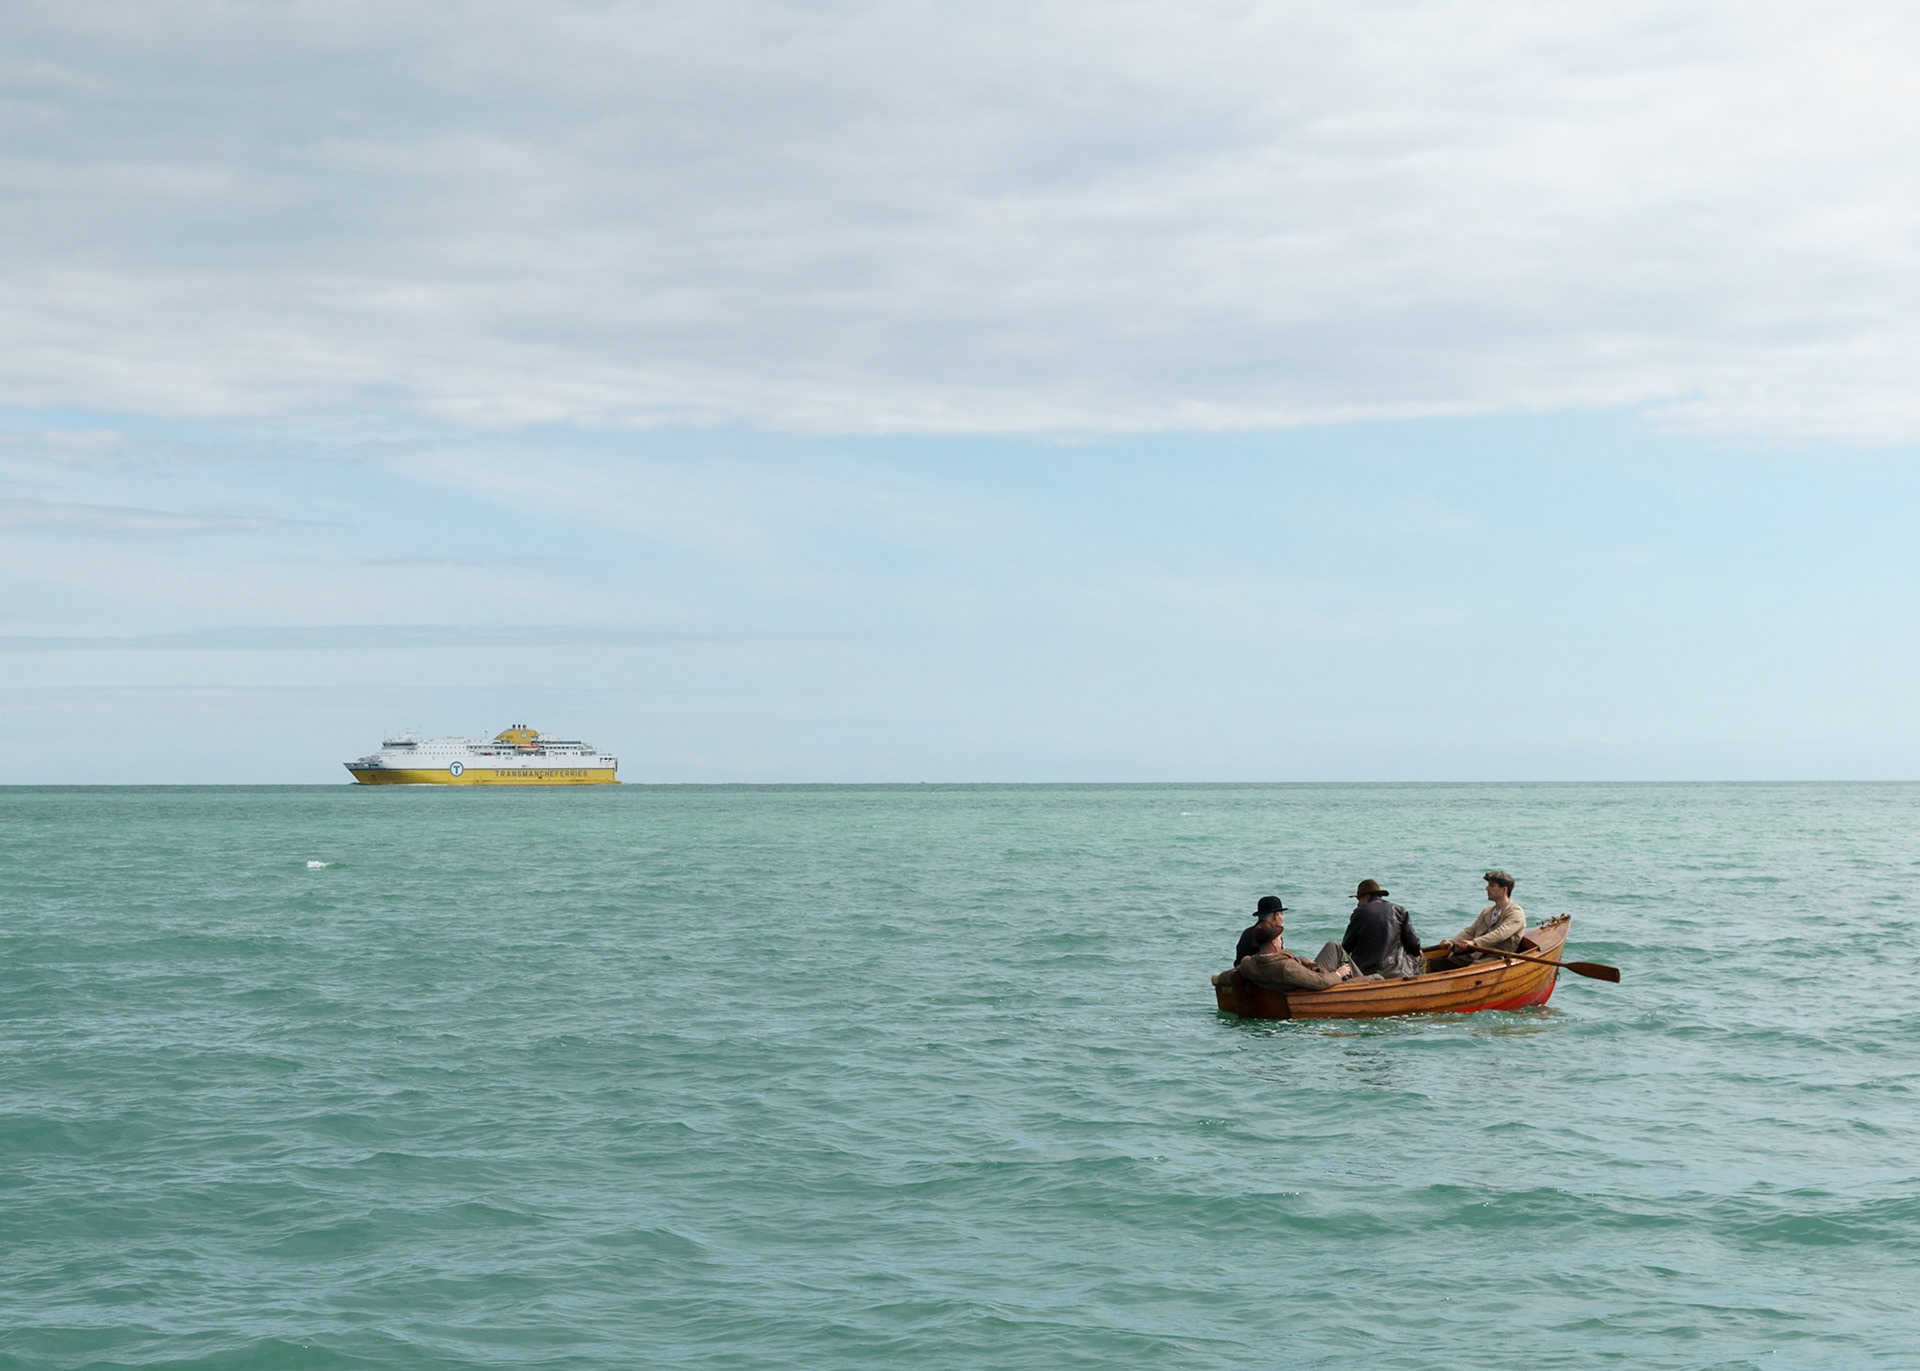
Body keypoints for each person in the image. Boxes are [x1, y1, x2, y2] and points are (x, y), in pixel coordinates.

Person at [1213, 904, 1356, 991]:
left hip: (1267, 984)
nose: (1281, 940)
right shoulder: (1286, 967)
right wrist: (1339, 974)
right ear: (1274, 943)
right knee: (1336, 949)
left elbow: (1234, 972)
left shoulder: (1248, 964)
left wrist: (1218, 978)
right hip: (1311, 985)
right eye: (1279, 938)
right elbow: (1319, 982)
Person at [1429, 870, 1527, 970]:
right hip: (1476, 954)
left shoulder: (1516, 913)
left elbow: (1500, 934)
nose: (1487, 888)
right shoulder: (1487, 911)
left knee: (1449, 967)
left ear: (1504, 890)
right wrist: (1452, 942)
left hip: (1495, 958)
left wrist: (1475, 942)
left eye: (1492, 886)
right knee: (1436, 963)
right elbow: (1471, 931)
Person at [1340, 879, 1424, 978]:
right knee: (1422, 959)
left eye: (1359, 899)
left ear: (1367, 897)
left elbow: (1346, 947)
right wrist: (1416, 951)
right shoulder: (1399, 910)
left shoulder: (1359, 913)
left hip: (1366, 973)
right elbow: (1414, 944)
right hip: (1397, 972)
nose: (1358, 904)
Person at [1234, 895, 1287, 962]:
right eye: (1282, 914)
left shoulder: (1246, 933)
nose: (1283, 918)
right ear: (1276, 916)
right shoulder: (1273, 935)